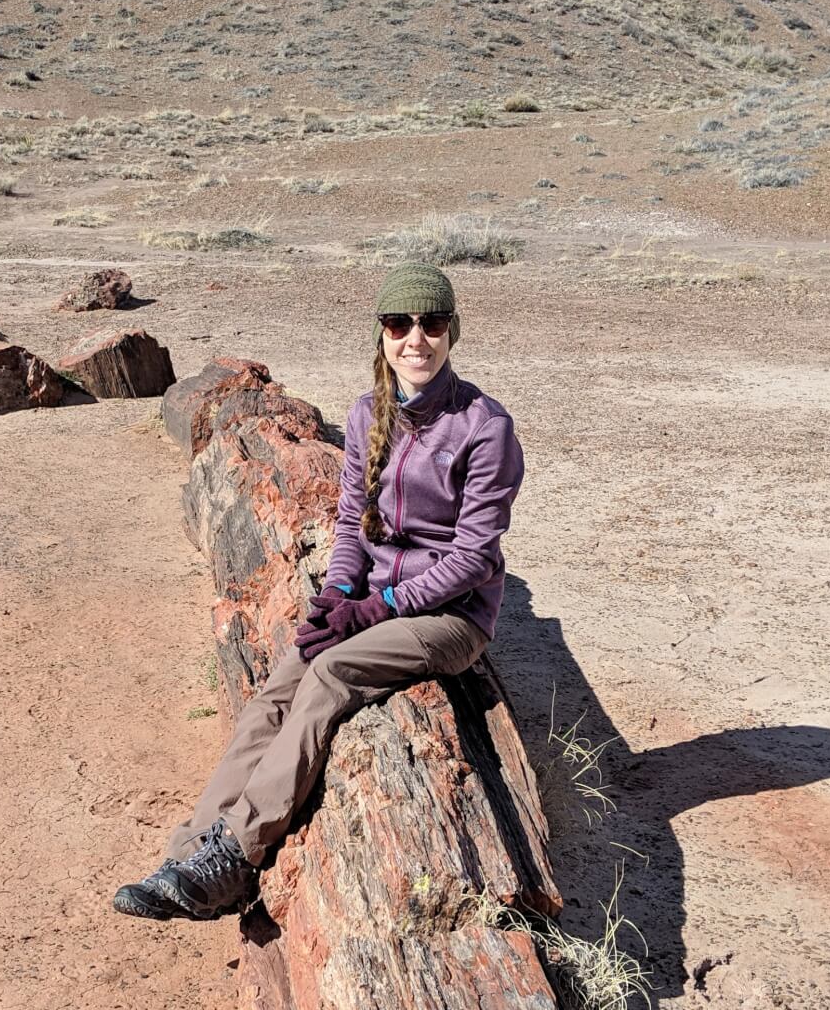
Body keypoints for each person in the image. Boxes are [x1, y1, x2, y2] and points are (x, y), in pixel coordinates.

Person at [112, 261, 526, 922]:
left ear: (452, 332)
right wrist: (336, 596)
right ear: (382, 334)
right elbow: (352, 522)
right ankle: (190, 849)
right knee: (282, 681)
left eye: (431, 323)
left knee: (333, 671)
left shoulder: (485, 427)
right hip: (375, 598)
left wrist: (376, 606)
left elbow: (472, 559)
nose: (415, 338)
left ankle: (238, 850)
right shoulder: (369, 414)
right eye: (399, 323)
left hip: (451, 617)